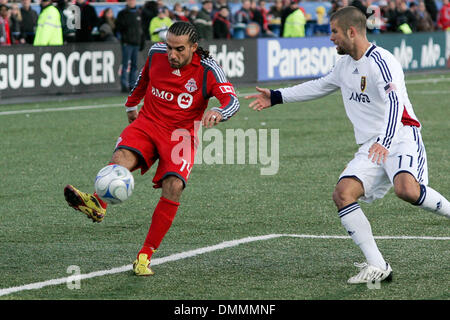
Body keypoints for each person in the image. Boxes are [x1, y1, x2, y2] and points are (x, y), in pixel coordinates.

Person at [246, 6, 450, 284]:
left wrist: (386, 141)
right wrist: (277, 96)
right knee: (343, 194)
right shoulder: (344, 65)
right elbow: (319, 86)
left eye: (334, 32)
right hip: (371, 144)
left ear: (351, 32)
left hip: (400, 135)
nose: (331, 38)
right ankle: (378, 265)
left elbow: (395, 104)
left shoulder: (382, 61)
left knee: (407, 190)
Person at [64, 21, 240, 276]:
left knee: (174, 186)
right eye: (169, 47)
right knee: (120, 157)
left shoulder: (208, 69)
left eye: (179, 49)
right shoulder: (156, 53)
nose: (172, 54)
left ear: (193, 47)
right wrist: (130, 105)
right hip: (149, 123)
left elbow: (231, 100)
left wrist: (219, 111)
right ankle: (97, 203)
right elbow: (143, 79)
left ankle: (145, 255)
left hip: (181, 135)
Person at [116, 0, 145, 93]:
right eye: (130, 0)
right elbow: (118, 28)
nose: (132, 2)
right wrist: (123, 39)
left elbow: (141, 30)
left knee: (134, 65)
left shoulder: (138, 13)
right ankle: (124, 85)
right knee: (125, 64)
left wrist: (141, 42)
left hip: (136, 43)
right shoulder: (123, 13)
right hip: (127, 43)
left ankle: (132, 84)